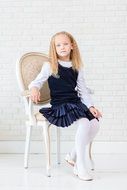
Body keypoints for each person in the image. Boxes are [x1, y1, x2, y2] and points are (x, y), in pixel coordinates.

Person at [29, 31, 102, 181]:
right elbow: (36, 82)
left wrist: (90, 107)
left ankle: (73, 155)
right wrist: (34, 88)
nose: (62, 47)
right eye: (58, 45)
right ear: (54, 48)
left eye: (65, 44)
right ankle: (80, 165)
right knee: (84, 123)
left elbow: (82, 90)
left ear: (72, 46)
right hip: (60, 105)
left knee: (95, 124)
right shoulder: (50, 65)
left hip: (75, 102)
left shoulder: (77, 66)